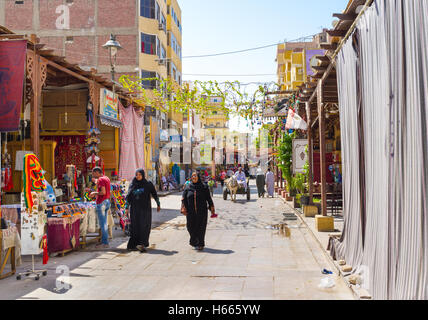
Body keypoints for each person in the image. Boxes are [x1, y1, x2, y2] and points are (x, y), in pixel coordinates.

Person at [125, 169, 161, 252]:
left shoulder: (148, 184)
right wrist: (126, 208)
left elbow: (154, 194)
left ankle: (142, 244)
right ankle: (133, 245)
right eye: (136, 174)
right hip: (134, 210)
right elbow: (128, 197)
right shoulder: (133, 184)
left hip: (145, 210)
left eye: (139, 174)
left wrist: (158, 204)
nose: (138, 176)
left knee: (144, 226)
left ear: (143, 175)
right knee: (134, 227)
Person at [182, 171, 216, 251]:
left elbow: (208, 198)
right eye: (192, 176)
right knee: (190, 226)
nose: (193, 177)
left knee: (201, 228)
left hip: (202, 212)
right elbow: (183, 198)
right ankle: (194, 240)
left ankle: (200, 243)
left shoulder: (204, 186)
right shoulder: (188, 187)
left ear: (198, 177)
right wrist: (183, 207)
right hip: (190, 212)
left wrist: (212, 207)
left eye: (195, 176)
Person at [90, 167, 111, 248]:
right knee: (104, 223)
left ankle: (105, 242)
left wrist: (94, 193)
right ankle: (104, 241)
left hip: (102, 202)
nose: (93, 175)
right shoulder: (106, 178)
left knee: (103, 224)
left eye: (93, 173)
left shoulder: (101, 180)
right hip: (106, 201)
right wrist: (95, 182)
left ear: (97, 172)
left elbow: (103, 192)